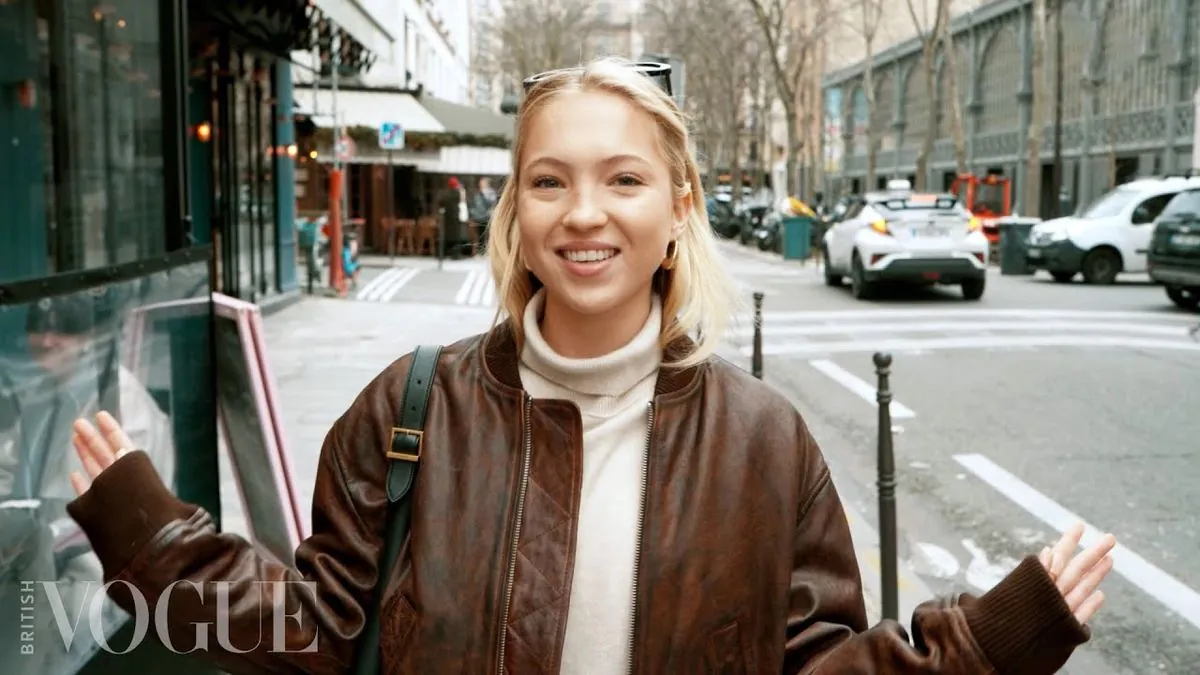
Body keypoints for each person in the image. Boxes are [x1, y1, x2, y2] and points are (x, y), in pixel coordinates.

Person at [64, 57, 1115, 674]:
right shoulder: (411, 407)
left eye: (623, 178)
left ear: (678, 206)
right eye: (549, 182)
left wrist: (982, 645)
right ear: (515, 212)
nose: (585, 214)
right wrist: (155, 541)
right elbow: (315, 632)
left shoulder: (762, 439)